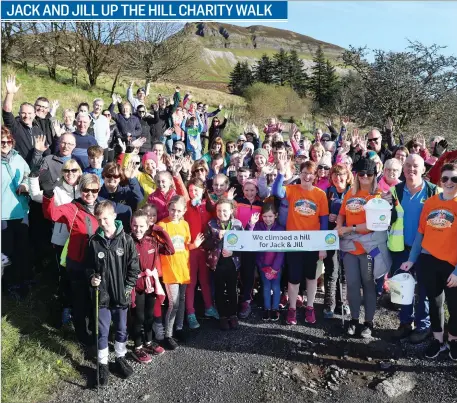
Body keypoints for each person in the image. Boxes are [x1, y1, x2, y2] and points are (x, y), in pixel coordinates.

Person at [400, 162, 457, 360]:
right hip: (428, 260)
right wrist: (411, 259)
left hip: (451, 265)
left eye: (454, 178)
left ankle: (454, 340)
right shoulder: (431, 203)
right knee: (434, 304)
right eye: (445, 178)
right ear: (440, 181)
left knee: (454, 305)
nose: (449, 182)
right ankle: (438, 340)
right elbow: (420, 234)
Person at [42, 174, 101, 347]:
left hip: (97, 263)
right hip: (78, 263)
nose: (89, 194)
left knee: (95, 300)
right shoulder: (72, 208)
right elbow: (51, 214)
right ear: (80, 189)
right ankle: (83, 337)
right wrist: (48, 194)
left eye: (94, 190)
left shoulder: (103, 207)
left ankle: (97, 333)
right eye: (85, 190)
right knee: (80, 301)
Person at [336, 158, 391, 338]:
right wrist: (339, 226)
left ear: (375, 175)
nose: (365, 176)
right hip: (350, 248)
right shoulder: (350, 194)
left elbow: (373, 224)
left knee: (368, 285)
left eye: (369, 174)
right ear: (356, 175)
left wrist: (349, 229)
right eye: (361, 174)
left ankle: (368, 322)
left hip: (368, 249)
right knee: (352, 285)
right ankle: (353, 319)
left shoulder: (377, 196)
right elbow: (342, 213)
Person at [386, 154, 438, 343]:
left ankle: (423, 326)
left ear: (423, 169)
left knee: (423, 289)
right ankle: (405, 323)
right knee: (402, 287)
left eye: (415, 166)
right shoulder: (395, 191)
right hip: (401, 248)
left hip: (426, 251)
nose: (411, 169)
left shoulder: (433, 192)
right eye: (407, 165)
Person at [87, 201, 139, 385]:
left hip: (120, 296)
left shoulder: (126, 240)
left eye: (106, 219)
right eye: (99, 220)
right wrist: (93, 278)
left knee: (122, 329)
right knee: (102, 331)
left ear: (114, 217)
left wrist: (127, 289)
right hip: (102, 296)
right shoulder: (94, 242)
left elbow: (134, 269)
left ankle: (120, 357)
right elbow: (89, 268)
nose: (102, 223)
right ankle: (102, 364)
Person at [272, 158, 329, 325]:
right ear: (300, 174)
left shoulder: (320, 194)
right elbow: (276, 191)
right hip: (293, 242)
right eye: (304, 173)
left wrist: (322, 246)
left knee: (311, 277)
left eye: (310, 174)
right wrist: (281, 172)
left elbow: (324, 222)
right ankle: (292, 309)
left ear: (315, 176)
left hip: (312, 243)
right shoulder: (292, 189)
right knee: (294, 277)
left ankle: (310, 307)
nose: (307, 177)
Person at [29, 159, 82, 324]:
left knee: (81, 275)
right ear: (62, 173)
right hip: (61, 239)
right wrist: (33, 178)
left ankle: (80, 307)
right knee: (64, 275)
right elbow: (36, 195)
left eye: (74, 170)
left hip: (81, 239)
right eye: (67, 171)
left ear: (79, 172)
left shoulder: (85, 189)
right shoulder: (56, 190)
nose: (70, 173)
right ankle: (66, 307)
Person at [130, 209, 172, 363]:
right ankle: (137, 347)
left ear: (148, 226)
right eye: (135, 225)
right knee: (138, 317)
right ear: (131, 224)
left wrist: (158, 229)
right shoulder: (128, 241)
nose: (138, 229)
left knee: (149, 315)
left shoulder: (152, 241)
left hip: (151, 285)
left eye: (142, 226)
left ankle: (148, 342)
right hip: (137, 285)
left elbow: (170, 250)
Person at [157, 195, 198, 350]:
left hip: (183, 267)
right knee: (173, 303)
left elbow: (185, 245)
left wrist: (195, 245)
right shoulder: (162, 225)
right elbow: (158, 248)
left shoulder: (185, 225)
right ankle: (168, 335)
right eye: (172, 209)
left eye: (179, 210)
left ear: (184, 211)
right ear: (168, 207)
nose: (175, 213)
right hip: (170, 269)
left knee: (181, 300)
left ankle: (179, 328)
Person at [184, 178, 219, 329]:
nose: (193, 193)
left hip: (204, 250)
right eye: (191, 190)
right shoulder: (186, 205)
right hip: (191, 250)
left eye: (196, 190)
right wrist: (176, 173)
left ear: (203, 190)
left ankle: (209, 307)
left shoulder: (208, 205)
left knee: (205, 281)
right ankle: (190, 312)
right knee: (191, 283)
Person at [204, 198, 244, 330]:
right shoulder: (211, 224)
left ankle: (233, 315)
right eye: (219, 210)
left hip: (232, 264)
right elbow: (206, 245)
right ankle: (222, 316)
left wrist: (233, 252)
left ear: (231, 210)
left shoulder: (237, 224)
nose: (222, 213)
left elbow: (243, 244)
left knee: (232, 290)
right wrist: (216, 238)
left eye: (225, 210)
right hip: (217, 264)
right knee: (220, 290)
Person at [1, 127, 32, 298]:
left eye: (8, 141)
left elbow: (28, 174)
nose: (5, 144)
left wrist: (25, 184)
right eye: (2, 142)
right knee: (5, 252)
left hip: (20, 212)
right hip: (2, 215)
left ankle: (22, 280)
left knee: (22, 248)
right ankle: (8, 284)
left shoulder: (18, 158)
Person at [323, 163, 353, 318]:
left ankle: (343, 304)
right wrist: (328, 215)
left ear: (347, 176)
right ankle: (329, 304)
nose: (337, 178)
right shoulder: (328, 192)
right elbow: (321, 213)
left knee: (345, 271)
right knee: (332, 269)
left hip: (349, 235)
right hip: (331, 235)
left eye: (341, 175)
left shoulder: (354, 192)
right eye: (334, 175)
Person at [247, 204, 285, 321]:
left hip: (276, 266)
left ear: (276, 216)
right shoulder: (258, 227)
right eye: (265, 216)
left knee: (276, 286)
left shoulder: (280, 229)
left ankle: (275, 309)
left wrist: (275, 267)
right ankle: (267, 308)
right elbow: (249, 238)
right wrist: (251, 224)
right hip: (263, 265)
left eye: (270, 216)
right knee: (266, 287)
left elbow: (281, 251)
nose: (267, 219)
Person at [2, 75, 48, 165]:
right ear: (19, 114)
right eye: (23, 113)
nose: (27, 116)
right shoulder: (14, 126)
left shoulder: (38, 130)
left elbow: (46, 150)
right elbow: (7, 110)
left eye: (30, 113)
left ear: (34, 114)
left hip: (35, 169)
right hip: (18, 168)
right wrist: (10, 94)